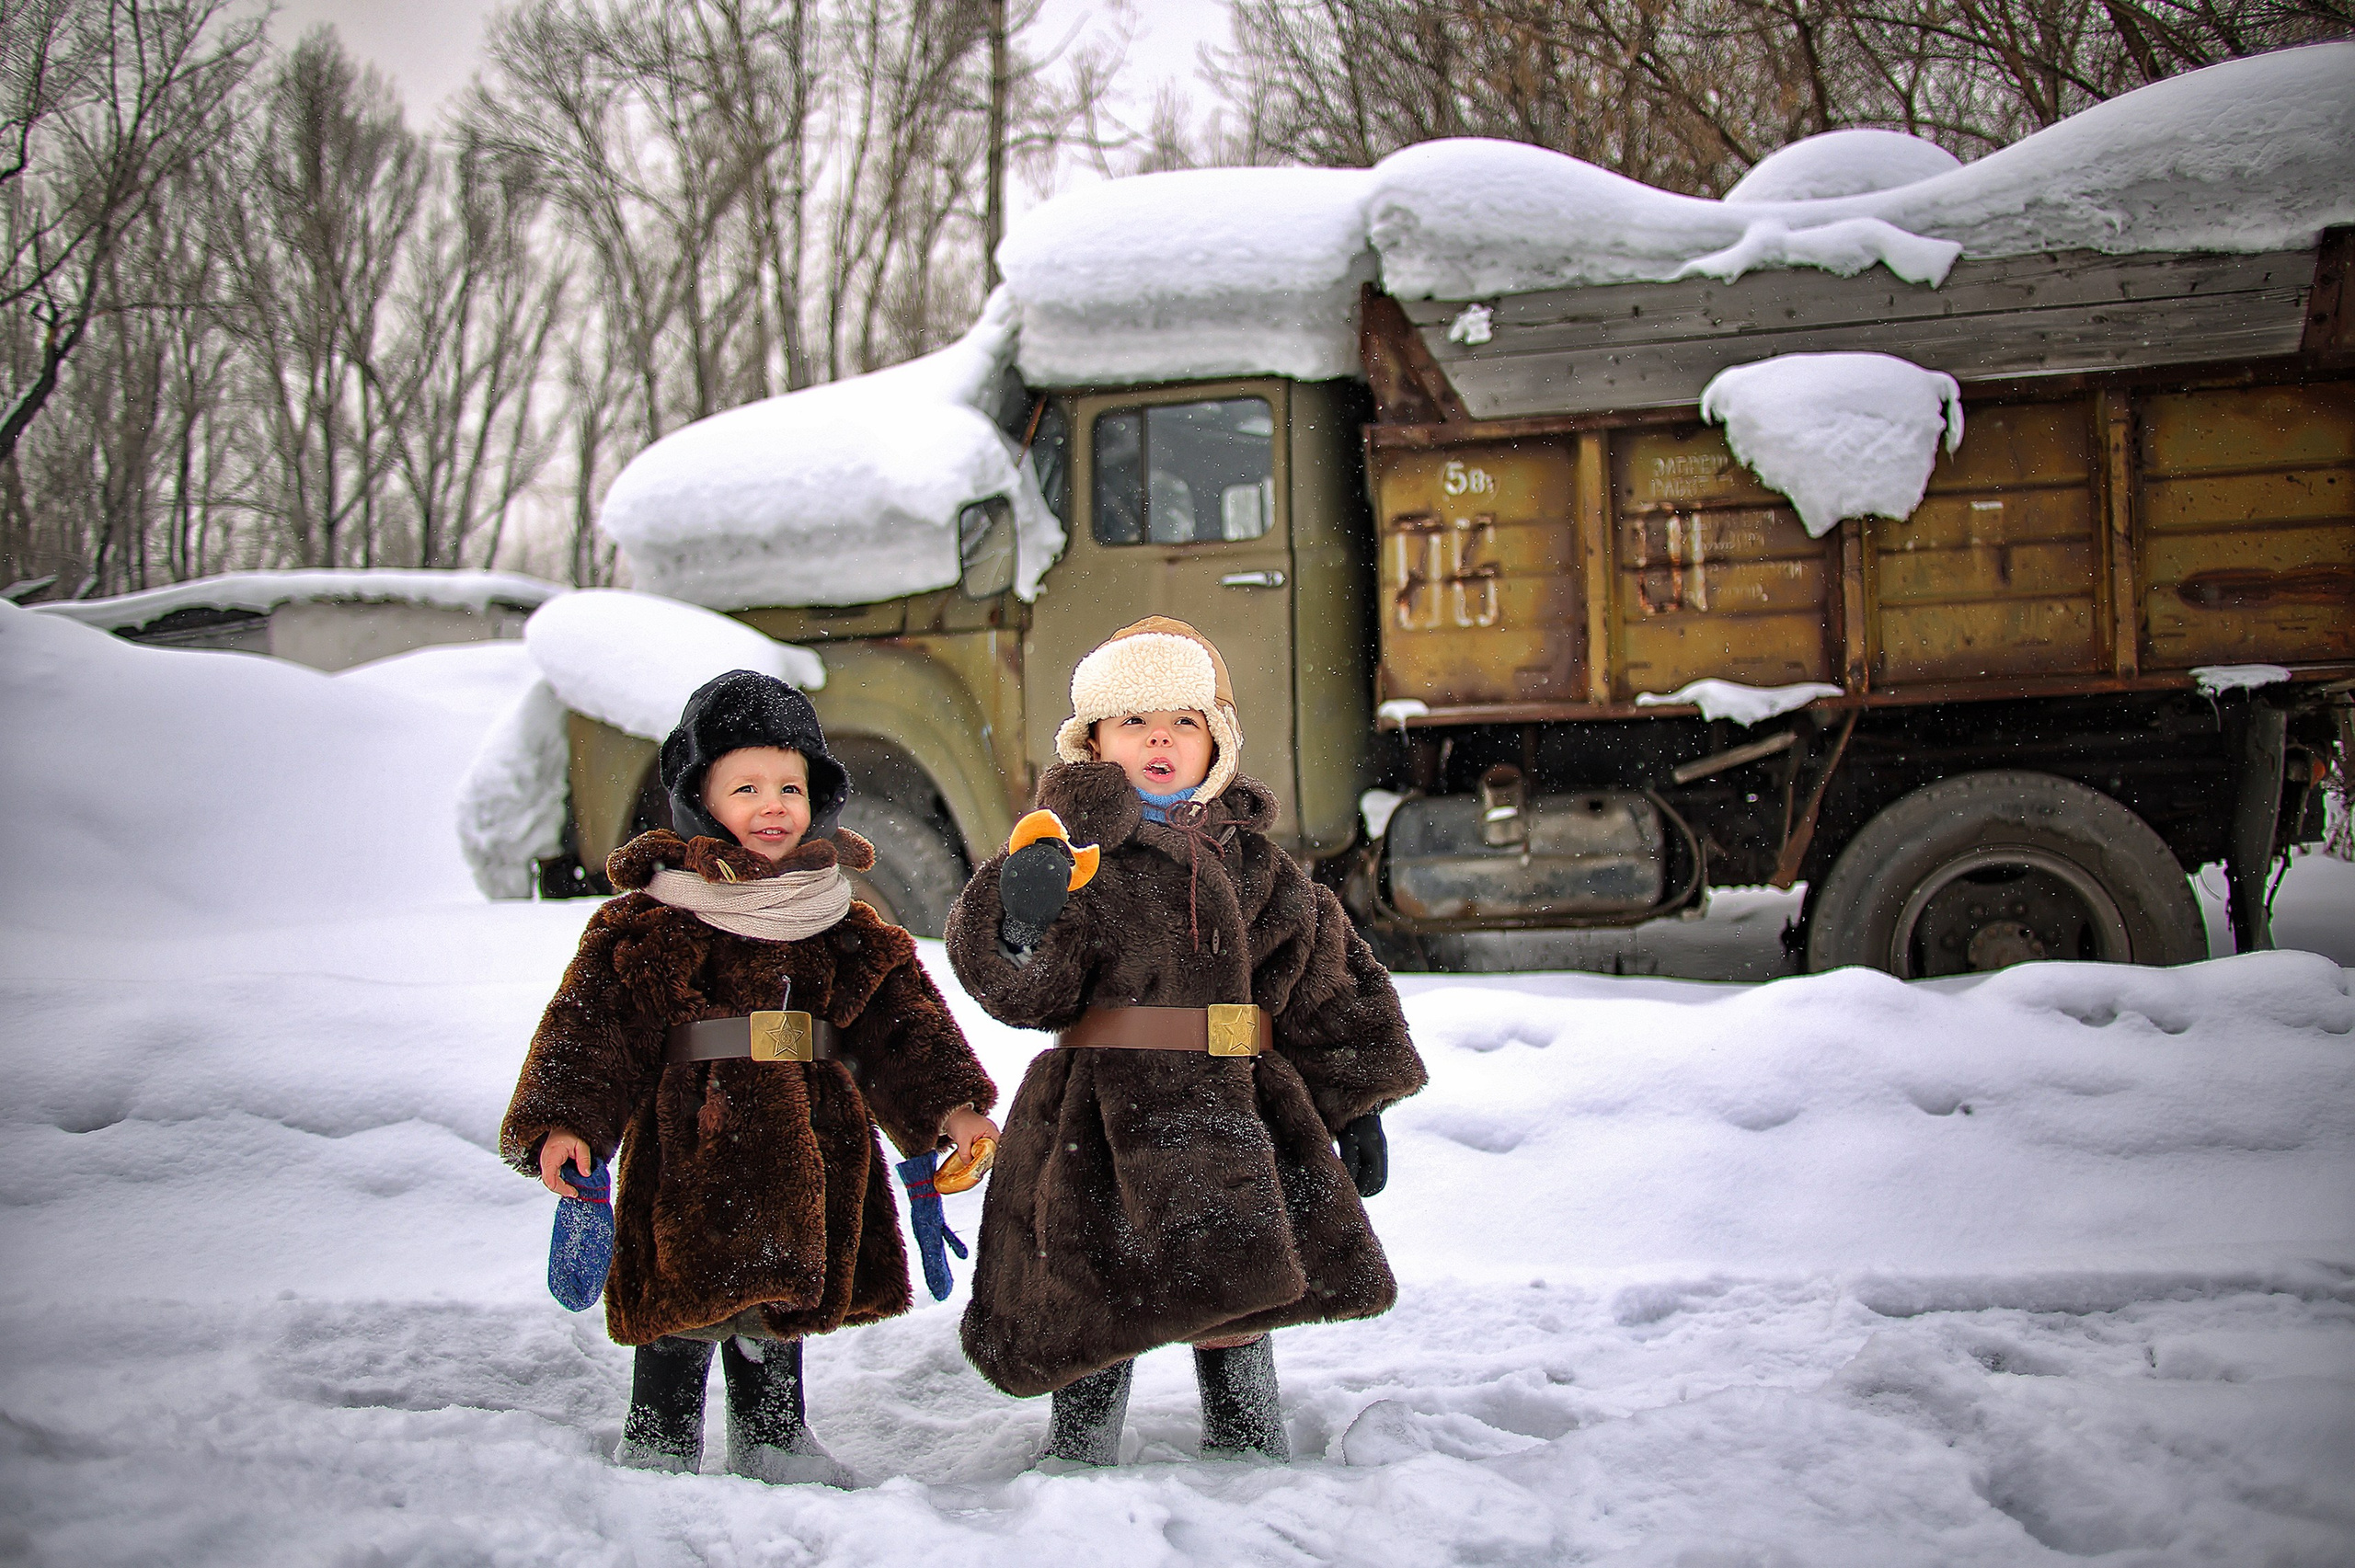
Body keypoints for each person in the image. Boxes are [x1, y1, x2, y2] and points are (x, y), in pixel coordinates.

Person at [945, 616, 1426, 1466]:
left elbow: (1330, 980)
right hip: (1103, 1113)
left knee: (1237, 1289)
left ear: (1218, 743)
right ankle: (1081, 1446)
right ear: (1093, 744)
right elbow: (1027, 987)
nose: (1160, 736)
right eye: (1132, 721)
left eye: (1183, 720)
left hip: (1236, 1104)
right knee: (1095, 1290)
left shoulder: (1260, 869)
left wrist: (1359, 1103)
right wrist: (1021, 922)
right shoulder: (1073, 854)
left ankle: (1248, 1439)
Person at [501, 670, 998, 1483]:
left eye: (791, 785)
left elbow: (901, 1025)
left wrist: (953, 1108)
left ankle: (774, 1435)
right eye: (748, 786)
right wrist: (567, 1121)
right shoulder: (654, 917)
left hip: (806, 1135)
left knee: (779, 1289)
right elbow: (593, 1028)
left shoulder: (840, 920)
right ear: (700, 798)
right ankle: (659, 1433)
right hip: (694, 1133)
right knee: (682, 1294)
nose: (775, 804)